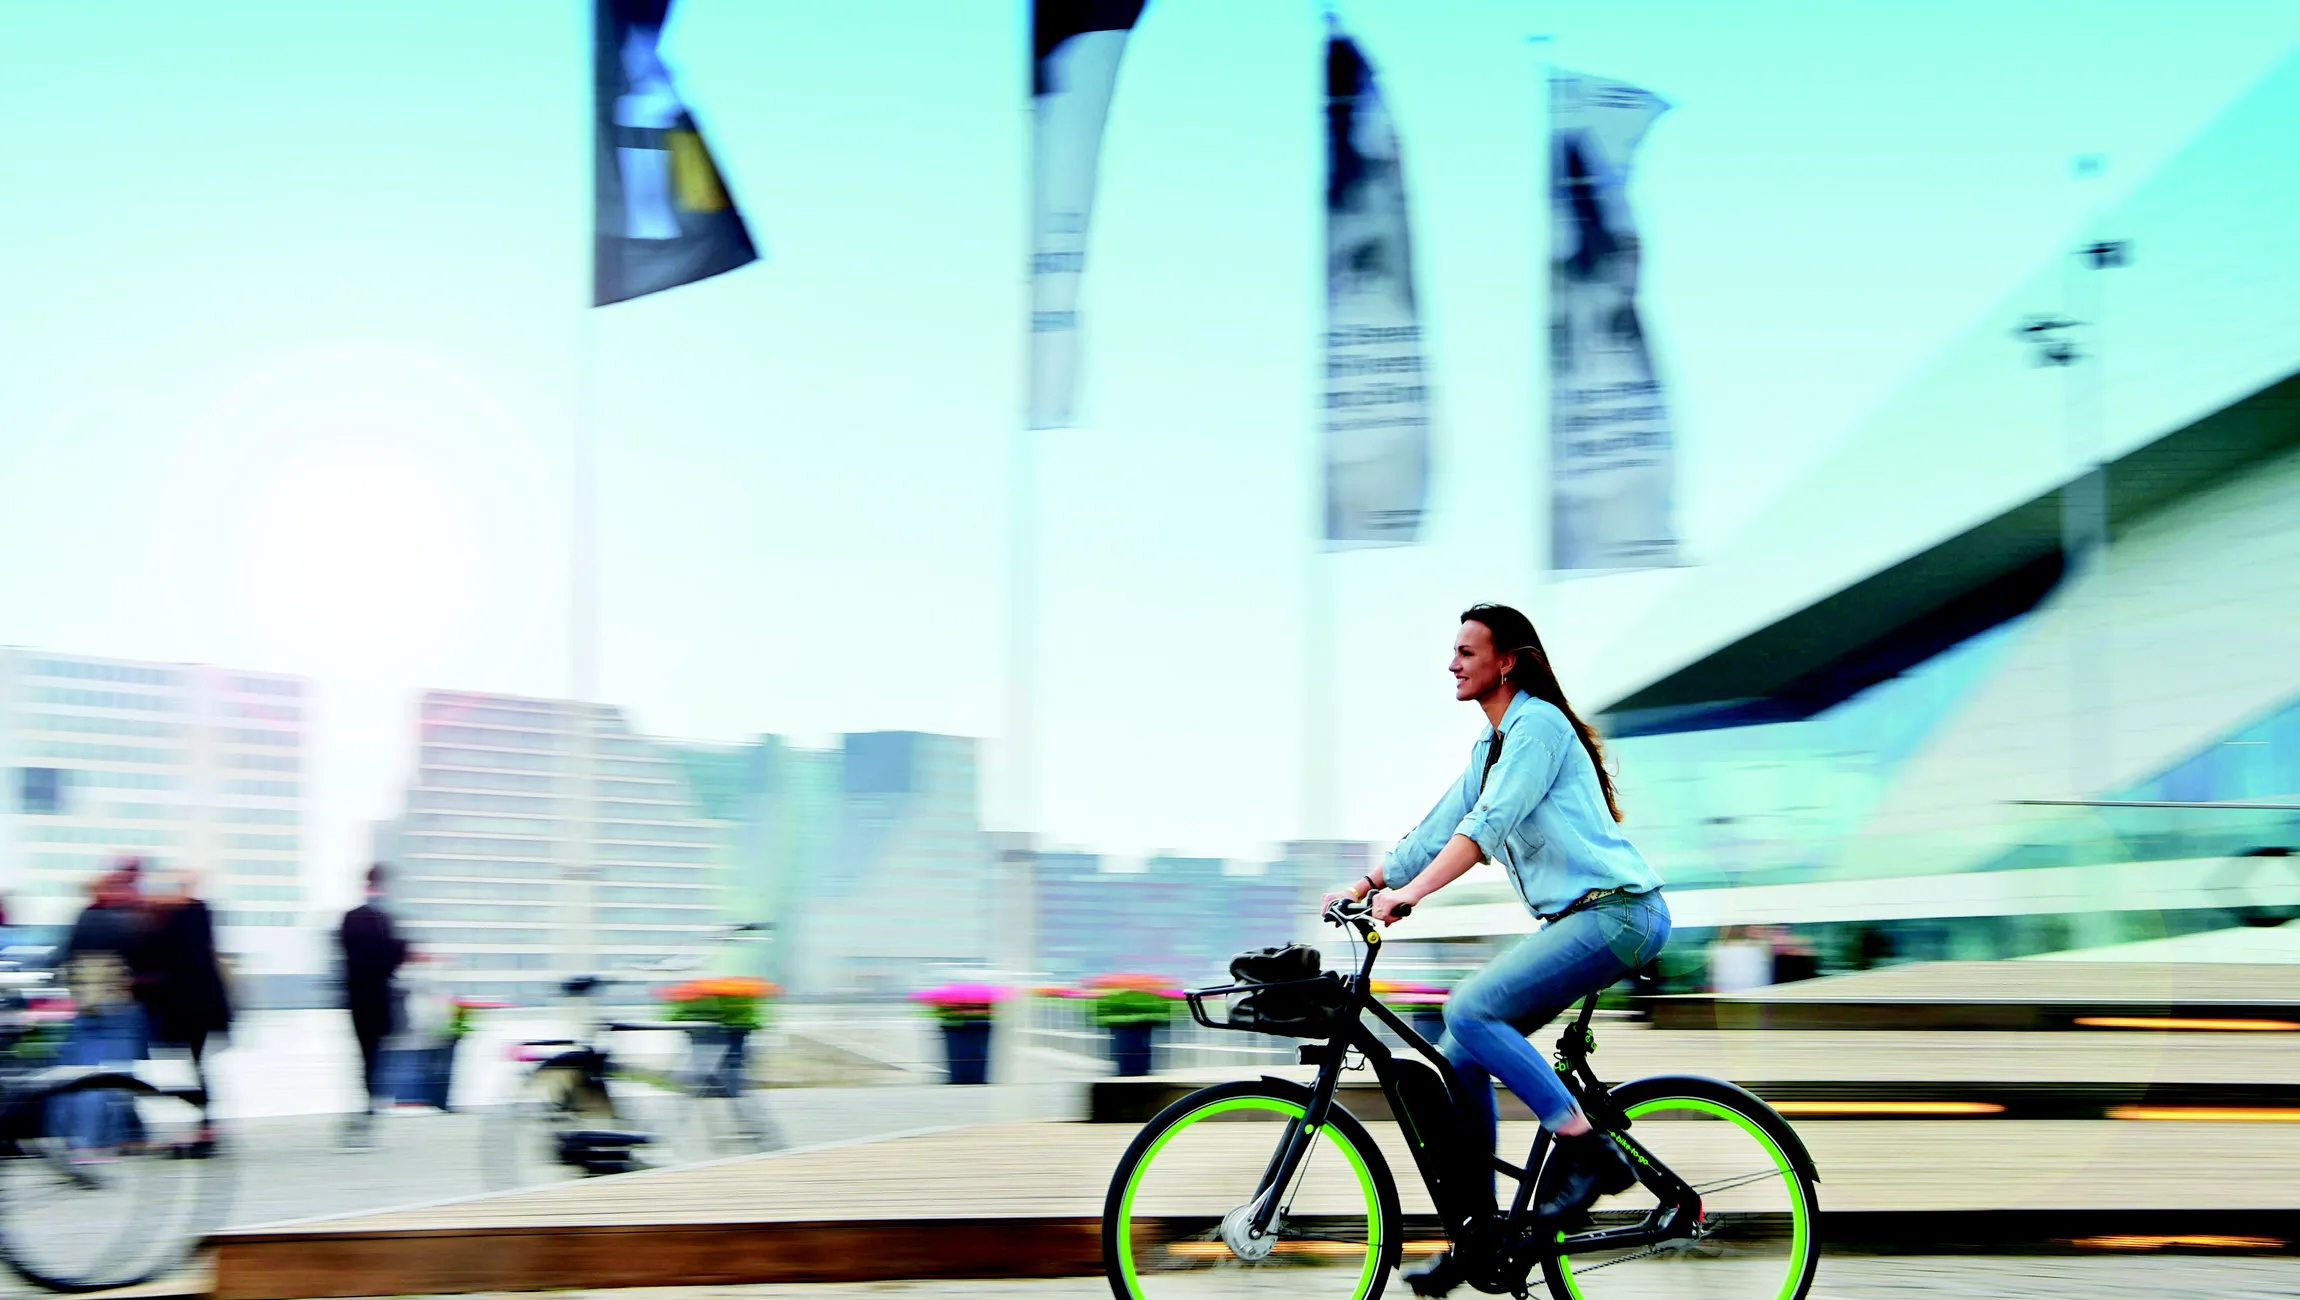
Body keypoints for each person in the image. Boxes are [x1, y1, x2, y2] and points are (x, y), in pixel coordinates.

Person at [1326, 604, 1669, 1296]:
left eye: (1466, 651)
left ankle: (1585, 1149)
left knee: (1471, 1009)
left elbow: (1488, 825)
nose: (1453, 664)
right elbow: (1440, 826)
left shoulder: (1537, 726)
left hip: (1618, 914)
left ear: (1505, 661)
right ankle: (1480, 1237)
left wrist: (1409, 896)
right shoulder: (1491, 746)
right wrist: (1369, 882)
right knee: (1459, 1057)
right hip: (1574, 921)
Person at [58, 865, 152, 1151]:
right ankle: (116, 1134)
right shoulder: (127, 920)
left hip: (87, 1005)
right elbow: (144, 959)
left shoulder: (85, 918)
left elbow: (64, 956)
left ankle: (123, 1131)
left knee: (93, 1070)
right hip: (121, 1006)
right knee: (121, 1071)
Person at [143, 869, 233, 1154]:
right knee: (194, 1064)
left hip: (189, 1006)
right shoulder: (192, 916)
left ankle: (205, 1118)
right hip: (194, 1005)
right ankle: (205, 1118)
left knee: (192, 1063)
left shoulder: (186, 916)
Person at [337, 863, 409, 1150]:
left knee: (364, 1053)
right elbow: (392, 957)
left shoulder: (350, 918)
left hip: (357, 997)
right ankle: (373, 1100)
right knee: (378, 1053)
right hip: (379, 995)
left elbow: (345, 955)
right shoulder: (384, 919)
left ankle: (368, 1100)